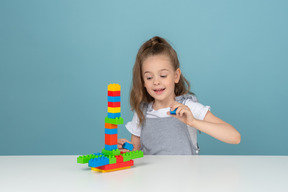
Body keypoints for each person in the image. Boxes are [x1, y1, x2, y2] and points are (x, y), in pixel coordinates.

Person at [118, 36, 241, 155]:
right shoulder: (141, 112)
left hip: (185, 175)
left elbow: (234, 137)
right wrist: (126, 149)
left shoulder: (188, 107)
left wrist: (193, 122)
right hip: (151, 176)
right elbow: (135, 152)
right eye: (149, 77)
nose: (156, 82)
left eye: (163, 75)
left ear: (176, 76)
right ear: (143, 81)